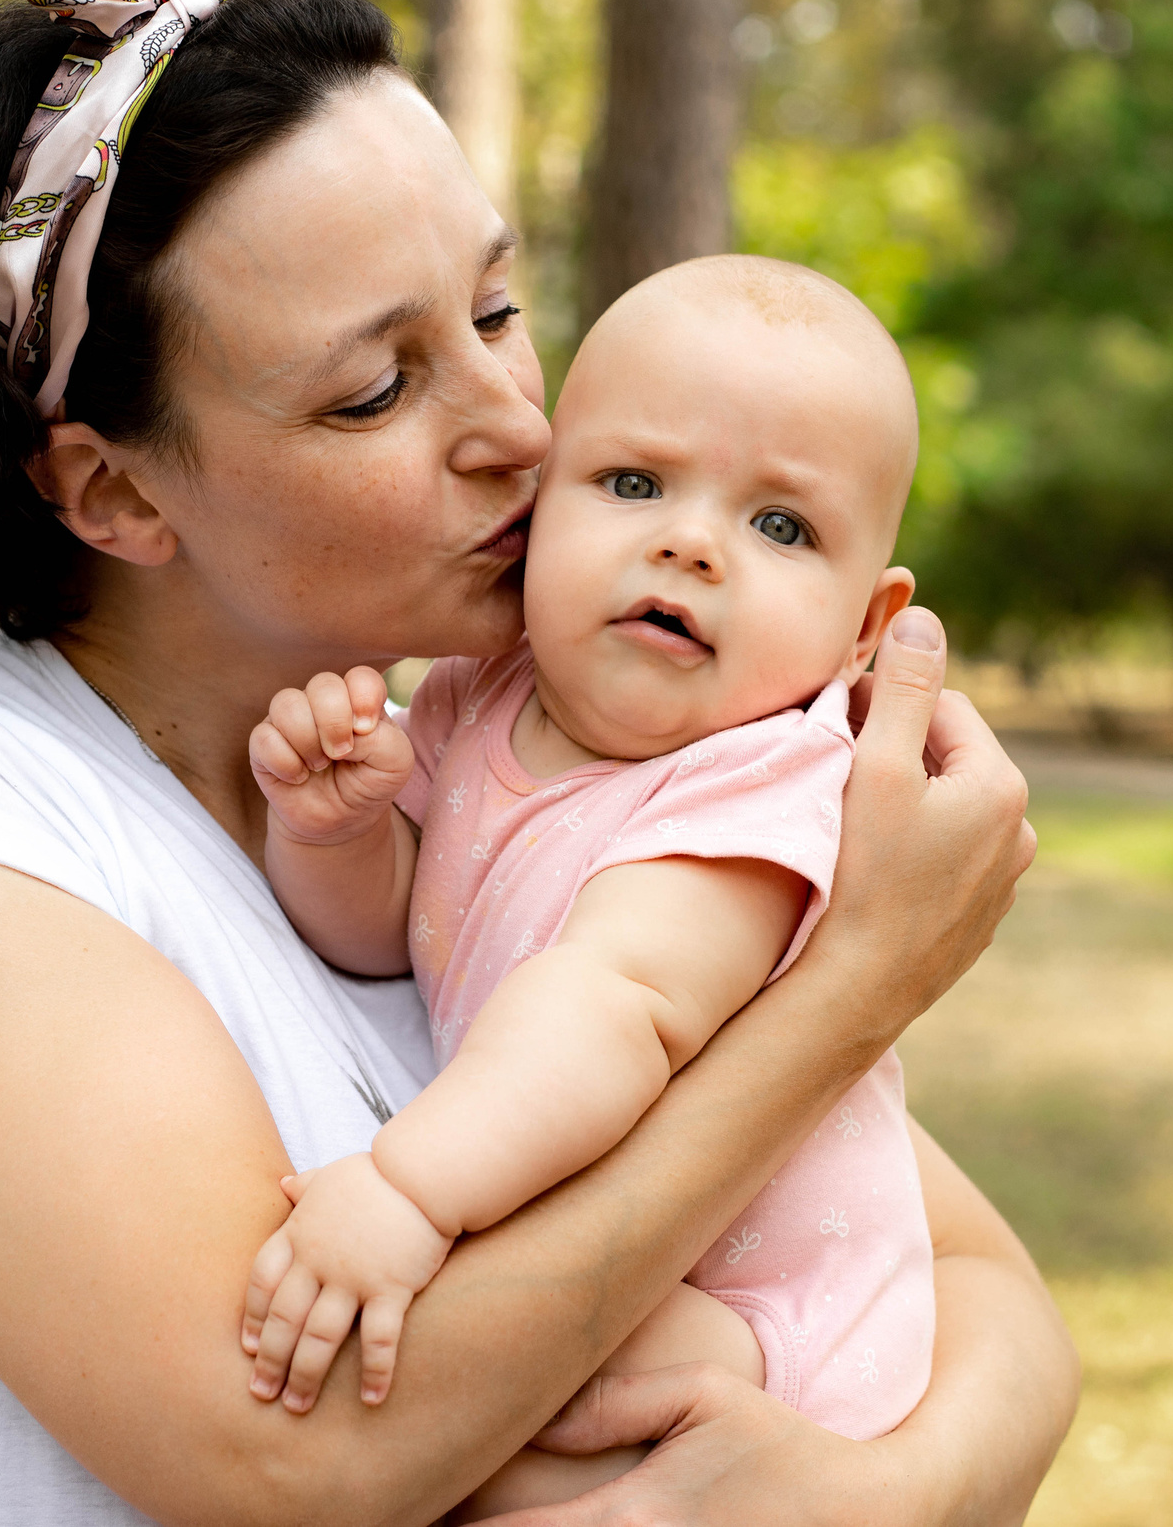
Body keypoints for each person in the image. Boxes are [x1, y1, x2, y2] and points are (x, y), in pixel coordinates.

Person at [0, 0, 1074, 1527]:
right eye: (377, 389)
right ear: (117, 492)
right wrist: (855, 982)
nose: (519, 423)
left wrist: (872, 1495)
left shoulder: (524, 764)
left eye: (498, 307)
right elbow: (294, 1450)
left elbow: (992, 1298)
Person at [241, 257, 937, 1518]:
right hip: (616, 1248)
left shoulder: (768, 784)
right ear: (537, 511)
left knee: (474, 1420)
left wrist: (407, 1190)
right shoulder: (474, 700)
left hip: (752, 1312)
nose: (691, 541)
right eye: (632, 483)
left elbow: (612, 1008)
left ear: (861, 632)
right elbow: (392, 936)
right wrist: (335, 833)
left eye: (781, 527)